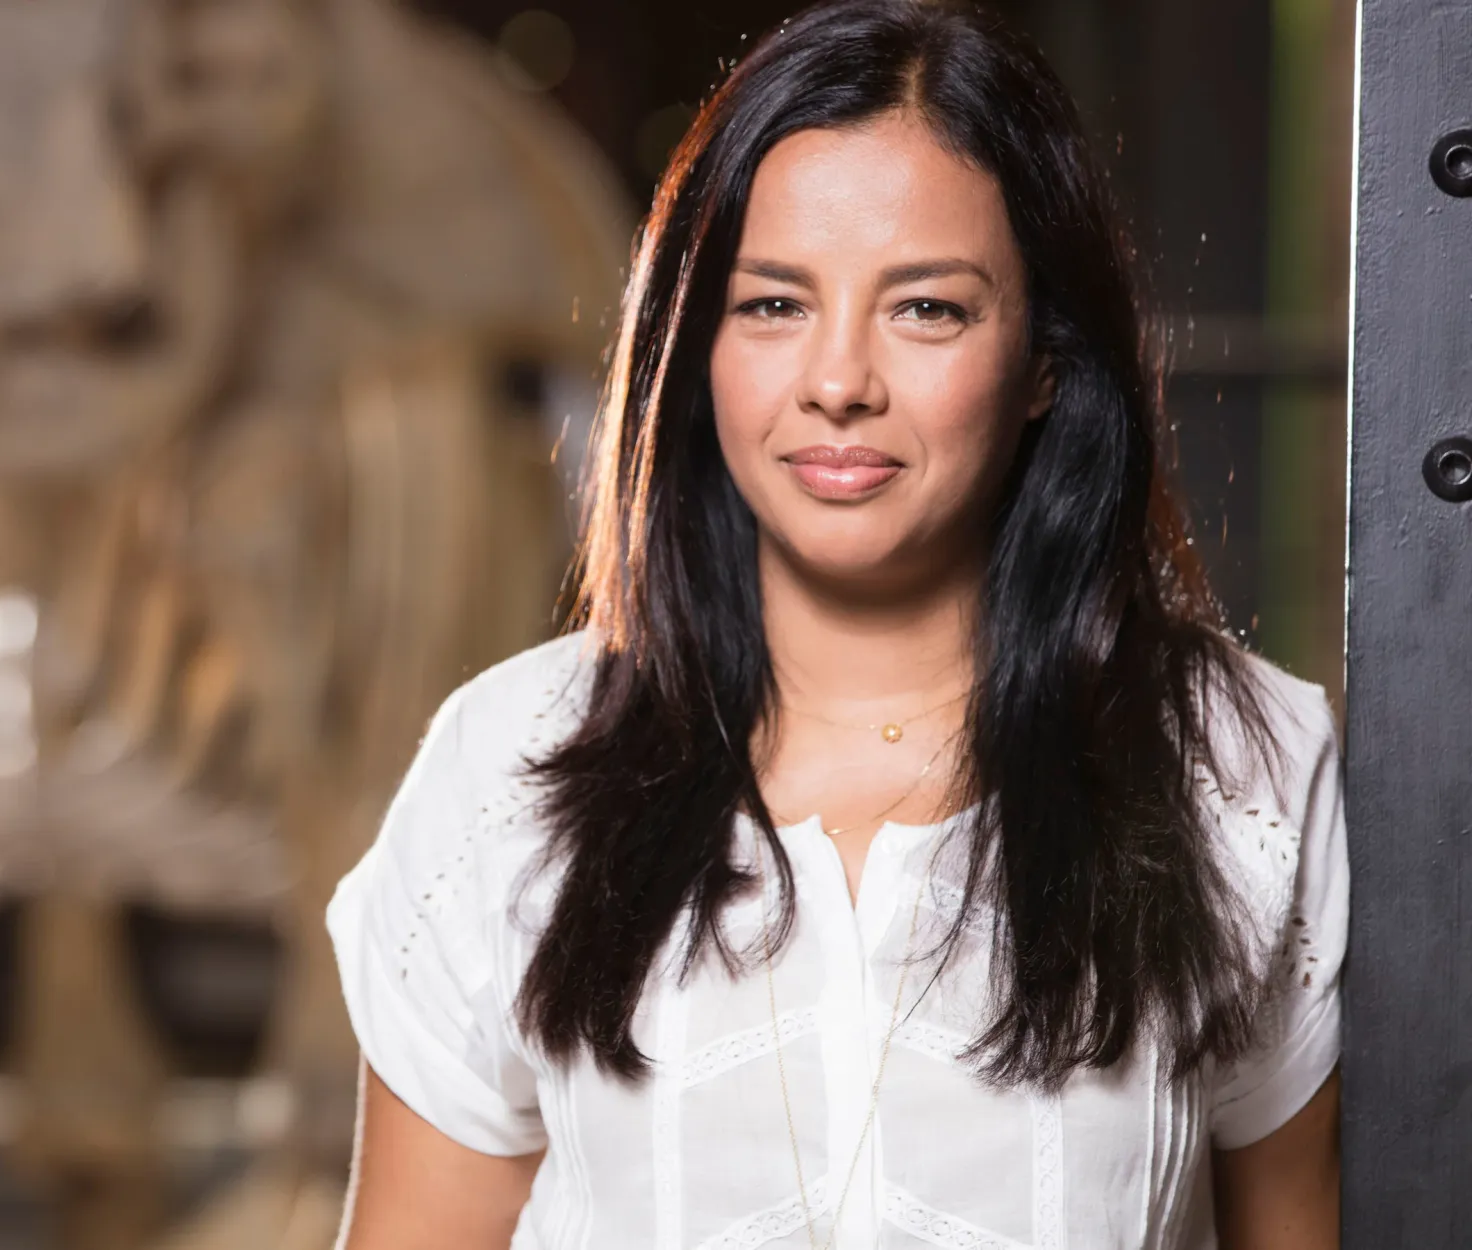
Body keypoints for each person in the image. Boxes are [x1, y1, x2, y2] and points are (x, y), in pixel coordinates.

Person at [325, 1, 1347, 1246]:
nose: (837, 381)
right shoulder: (506, 771)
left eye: (927, 308)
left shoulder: (1235, 769)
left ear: (1041, 361)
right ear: (694, 344)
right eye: (772, 306)